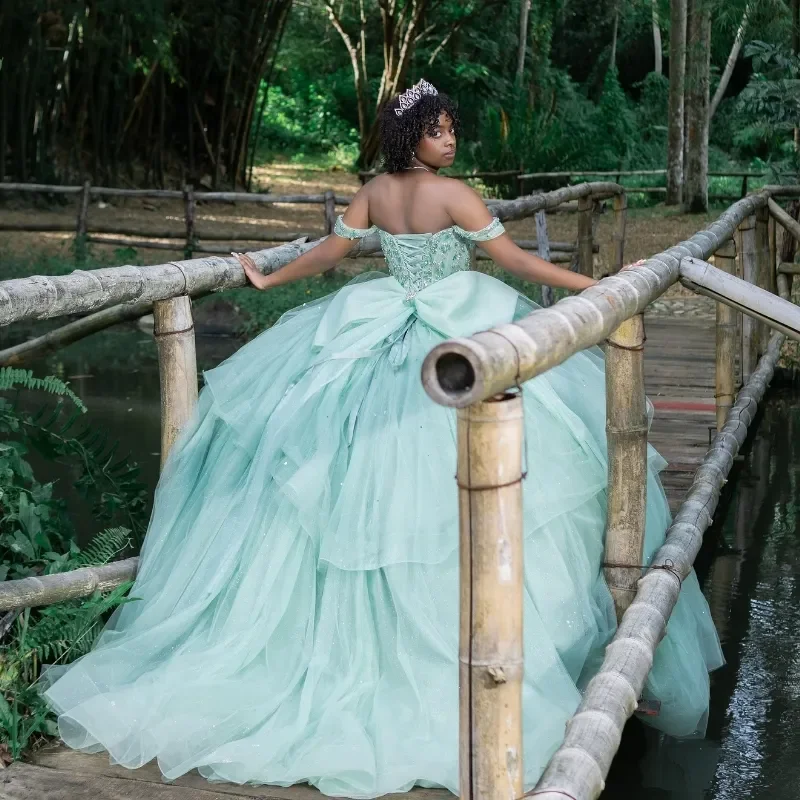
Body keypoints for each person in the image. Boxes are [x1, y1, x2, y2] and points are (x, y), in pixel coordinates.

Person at [41, 79, 723, 797]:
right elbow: (518, 266)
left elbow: (332, 253)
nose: (451, 139)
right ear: (412, 138)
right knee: (519, 456)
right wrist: (602, 285)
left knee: (342, 471)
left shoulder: (373, 190)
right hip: (455, 335)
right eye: (438, 129)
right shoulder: (455, 195)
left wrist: (269, 281)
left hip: (377, 328)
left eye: (453, 128)